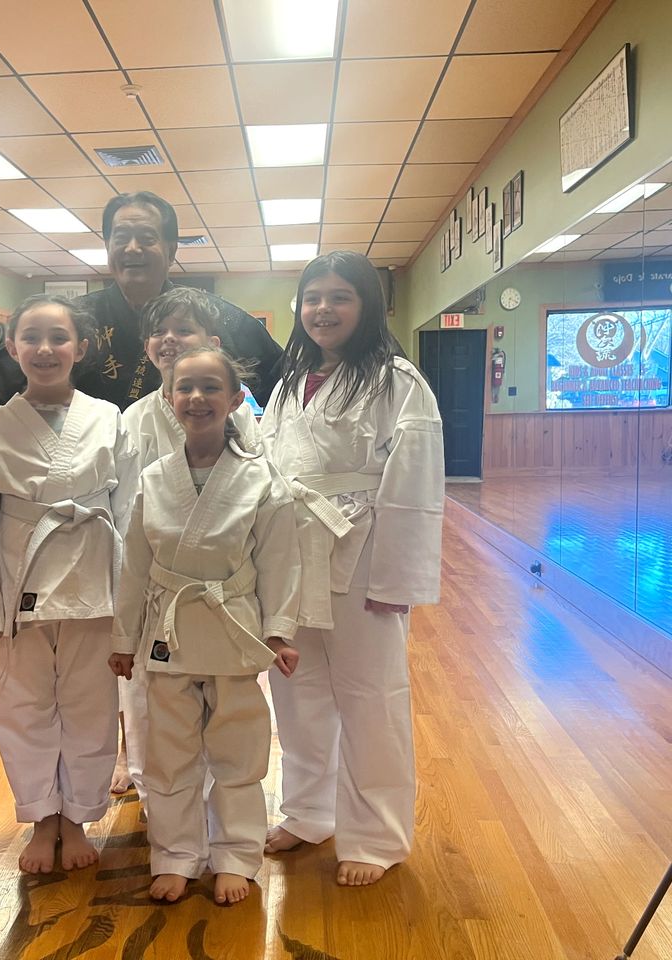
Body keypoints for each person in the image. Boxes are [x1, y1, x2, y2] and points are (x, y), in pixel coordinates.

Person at [260, 251, 444, 887]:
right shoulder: (289, 381)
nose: (323, 309)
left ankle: (376, 833)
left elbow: (415, 483)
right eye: (313, 297)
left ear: (367, 306)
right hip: (289, 549)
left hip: (363, 551)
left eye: (340, 297)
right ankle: (309, 811)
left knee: (371, 697)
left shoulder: (396, 380)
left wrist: (398, 578)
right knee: (296, 689)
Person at [110, 346, 301, 905]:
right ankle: (175, 854)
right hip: (167, 633)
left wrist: (279, 633)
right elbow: (134, 565)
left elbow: (280, 561)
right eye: (185, 388)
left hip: (233, 628)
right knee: (169, 753)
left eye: (210, 387)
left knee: (239, 753)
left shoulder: (261, 478)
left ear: (237, 399)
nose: (197, 398)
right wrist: (123, 640)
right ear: (169, 400)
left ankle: (236, 855)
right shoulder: (153, 477)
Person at [0, 294, 138, 875]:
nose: (44, 349)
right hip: (20, 582)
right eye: (30, 337)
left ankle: (78, 816)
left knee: (90, 704)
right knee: (23, 704)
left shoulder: (109, 418)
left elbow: (131, 512)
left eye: (58, 337)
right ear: (11, 347)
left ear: (80, 348)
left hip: (93, 578)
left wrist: (130, 606)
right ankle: (42, 817)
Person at [115, 286, 264, 809]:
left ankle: (218, 799)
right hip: (157, 581)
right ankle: (153, 791)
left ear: (214, 341)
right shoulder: (132, 420)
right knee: (148, 695)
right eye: (160, 330)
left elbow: (256, 507)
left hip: (222, 582)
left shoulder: (239, 417)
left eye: (184, 328)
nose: (170, 339)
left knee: (226, 705)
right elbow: (125, 512)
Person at [0, 191, 283, 412]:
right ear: (108, 246)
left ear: (171, 250)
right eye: (121, 238)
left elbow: (286, 387)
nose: (132, 249)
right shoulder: (74, 320)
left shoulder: (217, 317)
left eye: (147, 238)